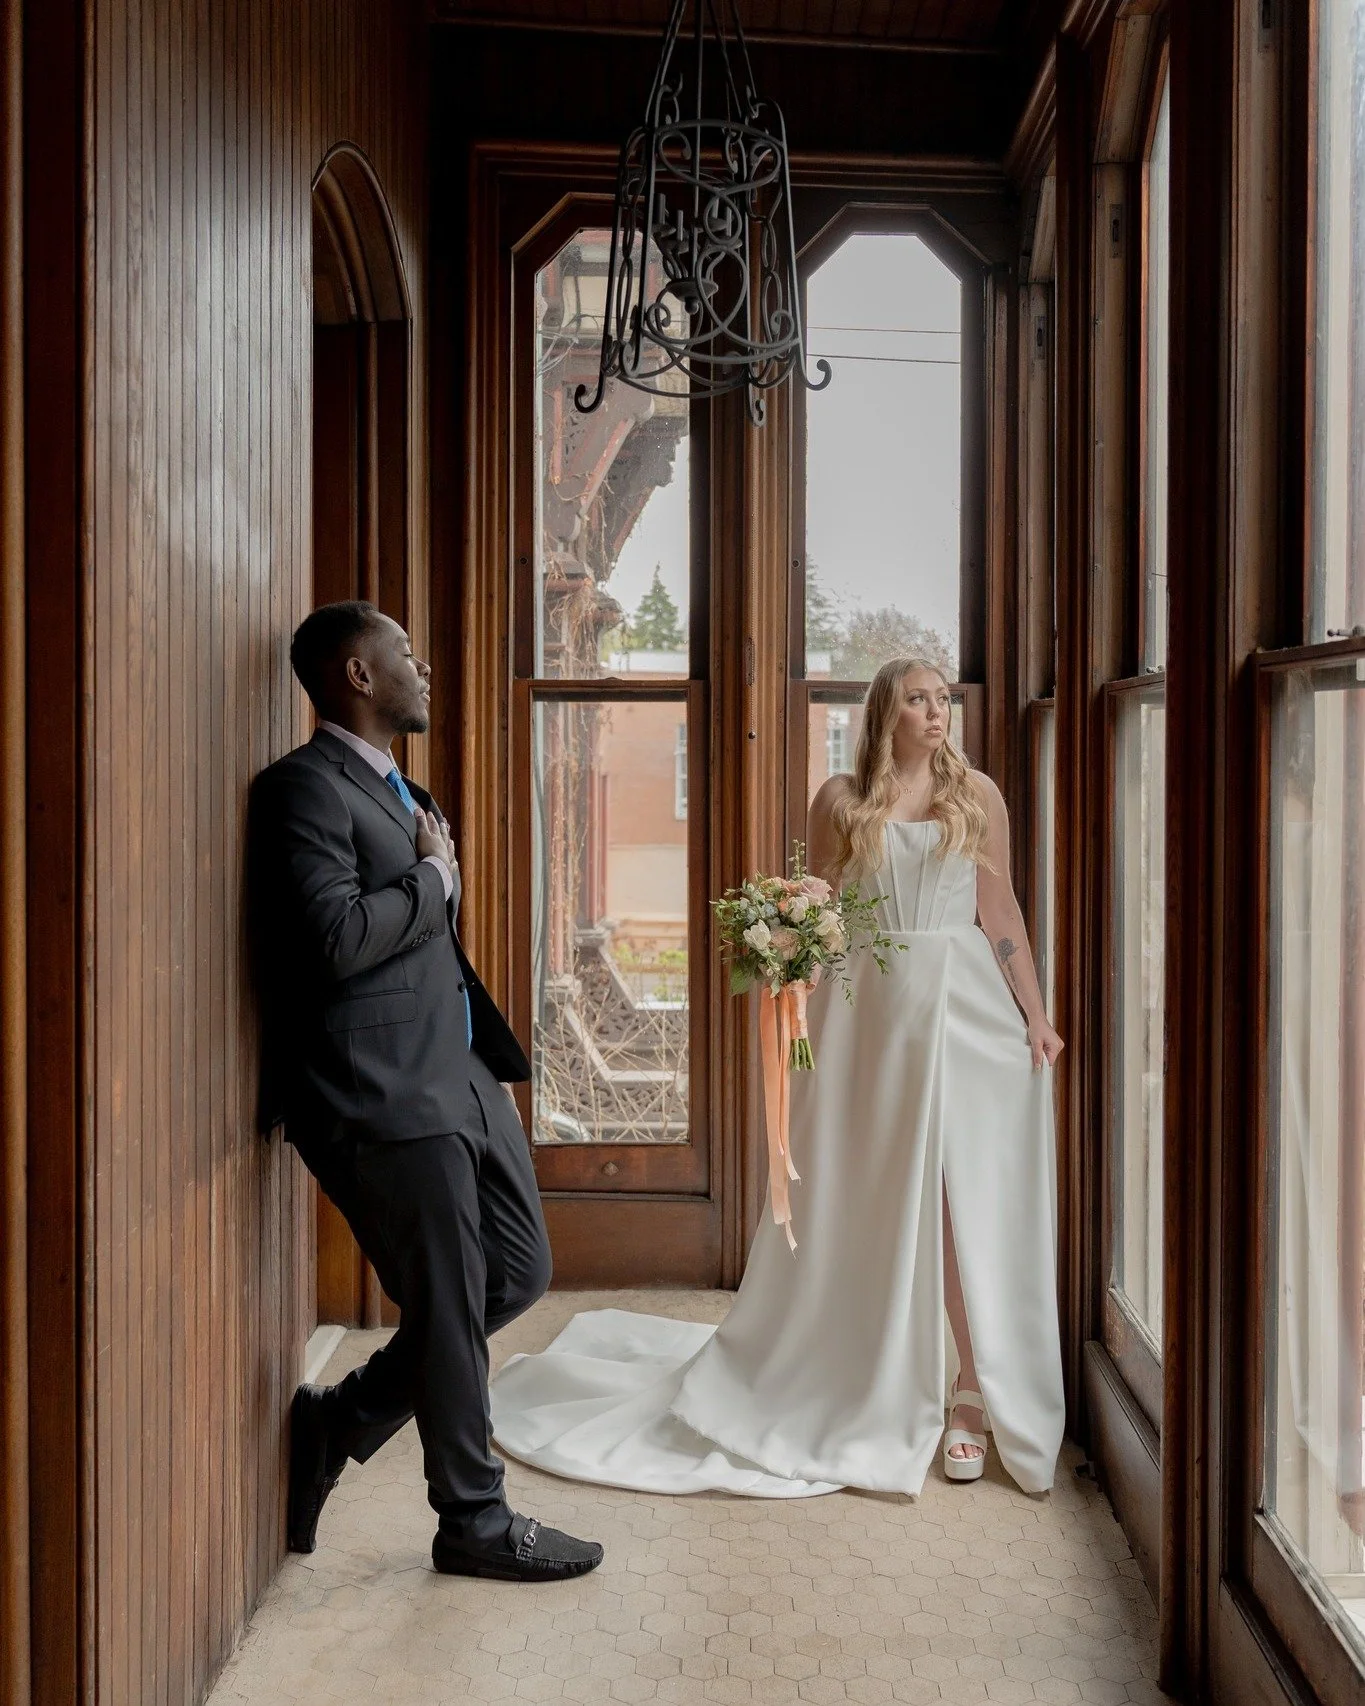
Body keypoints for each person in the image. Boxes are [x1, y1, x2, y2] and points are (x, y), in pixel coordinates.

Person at [489, 656, 1066, 1497]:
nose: (937, 712)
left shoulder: (975, 793)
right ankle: (852, 1368)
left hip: (969, 1012)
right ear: (885, 711)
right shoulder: (839, 799)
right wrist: (785, 939)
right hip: (865, 1015)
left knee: (962, 1198)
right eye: (918, 699)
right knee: (863, 1190)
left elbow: (1000, 908)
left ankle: (971, 1393)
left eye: (944, 699)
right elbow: (823, 903)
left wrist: (1036, 1015)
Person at [248, 599, 603, 1580]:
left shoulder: (410, 793)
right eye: (407, 651)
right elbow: (330, 941)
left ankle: (341, 1417)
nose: (425, 667)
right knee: (449, 1296)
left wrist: (432, 877)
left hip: (461, 1075)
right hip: (378, 1090)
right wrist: (433, 883)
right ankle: (474, 1518)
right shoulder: (301, 790)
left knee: (515, 1273)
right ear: (357, 674)